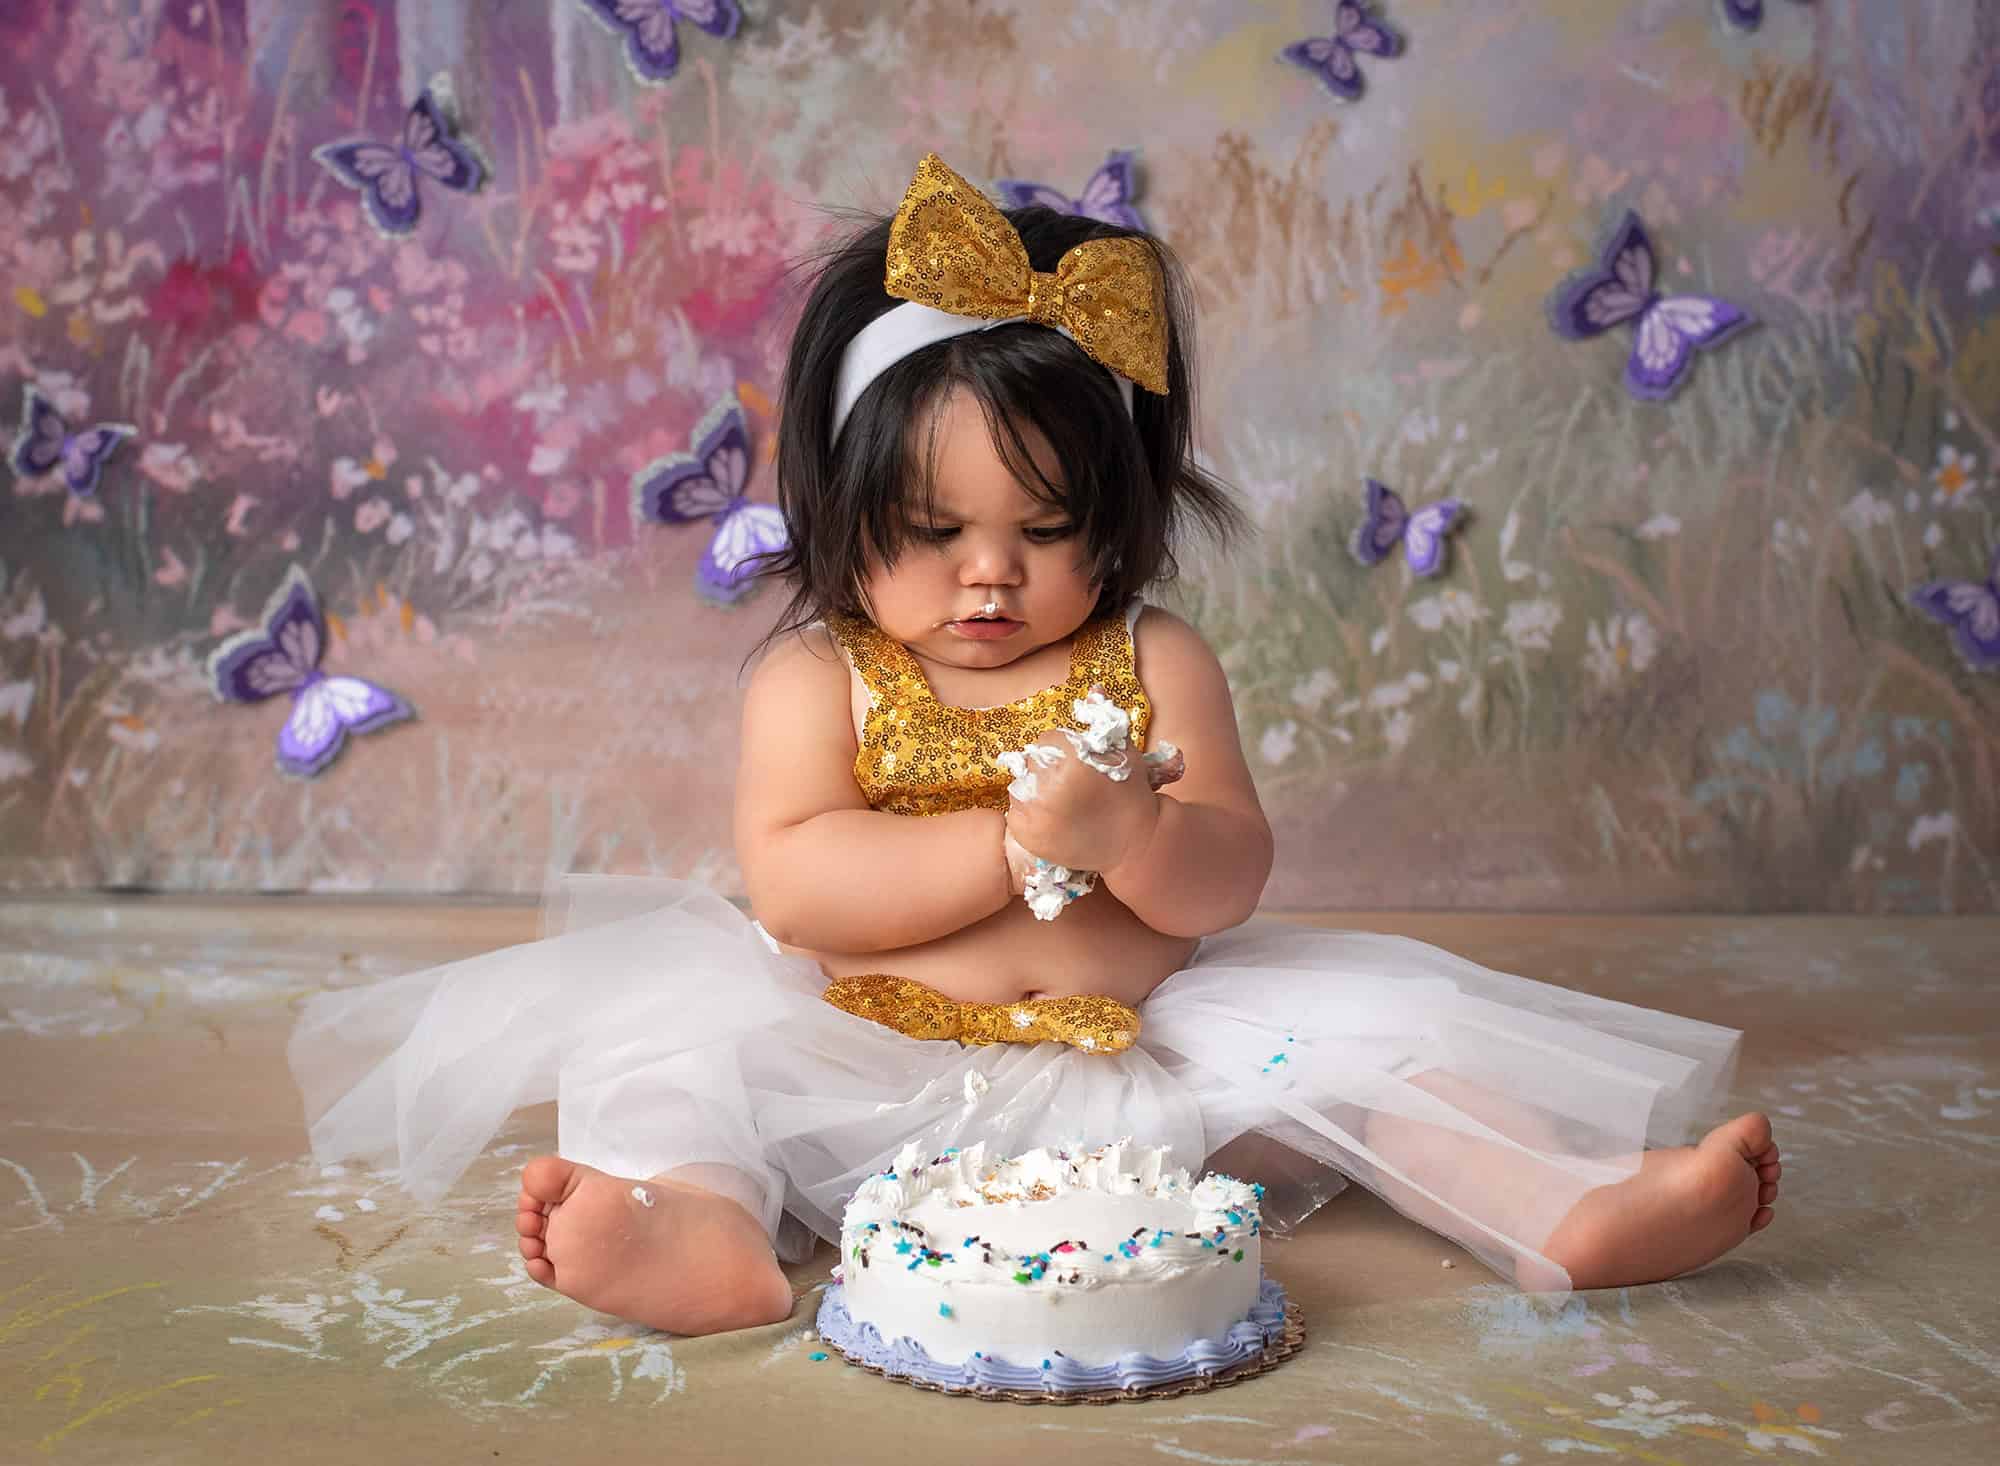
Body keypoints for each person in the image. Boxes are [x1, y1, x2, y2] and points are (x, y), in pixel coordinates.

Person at [292, 154, 1780, 1338]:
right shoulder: (822, 678)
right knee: (658, 1041)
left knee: (1391, 1042)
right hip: (860, 1073)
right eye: (932, 532)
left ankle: (1556, 1204)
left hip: (1155, 1076)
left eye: (1045, 529)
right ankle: (704, 1228)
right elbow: (800, 886)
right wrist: (1009, 840)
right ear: (837, 508)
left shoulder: (1156, 660)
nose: (987, 576)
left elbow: (1231, 874)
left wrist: (1137, 837)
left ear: (1120, 517)